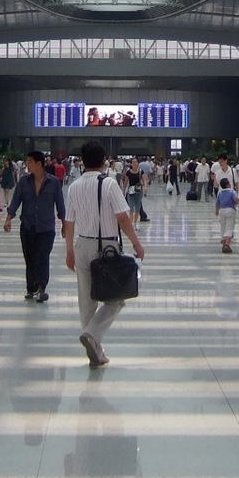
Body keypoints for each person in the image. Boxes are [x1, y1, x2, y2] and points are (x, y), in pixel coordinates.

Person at [63, 141, 145, 368]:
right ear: (104, 160)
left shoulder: (74, 186)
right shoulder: (109, 184)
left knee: (86, 301)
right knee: (116, 299)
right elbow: (122, 217)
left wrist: (69, 250)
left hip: (82, 245)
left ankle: (96, 350)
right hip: (107, 248)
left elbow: (68, 222)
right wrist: (136, 244)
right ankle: (92, 335)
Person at [6, 151, 67, 302]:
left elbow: (60, 205)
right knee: (30, 258)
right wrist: (8, 219)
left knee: (43, 257)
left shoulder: (53, 182)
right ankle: (31, 288)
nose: (28, 164)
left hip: (46, 228)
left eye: (30, 161)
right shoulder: (23, 182)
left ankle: (42, 287)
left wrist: (64, 225)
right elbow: (15, 202)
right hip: (27, 226)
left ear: (39, 164)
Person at [214, 177, 239, 253]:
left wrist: (216, 211)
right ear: (227, 184)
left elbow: (217, 203)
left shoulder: (220, 193)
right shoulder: (232, 191)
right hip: (230, 210)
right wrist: (237, 202)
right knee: (229, 227)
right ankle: (227, 245)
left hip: (221, 211)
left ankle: (223, 244)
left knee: (223, 227)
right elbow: (236, 200)